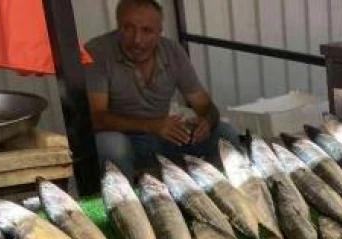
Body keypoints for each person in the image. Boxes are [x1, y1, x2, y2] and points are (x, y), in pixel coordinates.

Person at [85, 0, 239, 178]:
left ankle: (222, 198)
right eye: (128, 28)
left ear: (159, 32)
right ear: (118, 26)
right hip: (125, 139)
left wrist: (206, 121)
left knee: (224, 133)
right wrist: (152, 125)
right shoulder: (98, 52)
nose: (137, 40)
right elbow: (96, 118)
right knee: (111, 145)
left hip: (163, 137)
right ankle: (124, 204)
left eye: (147, 31)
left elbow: (204, 105)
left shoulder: (172, 50)